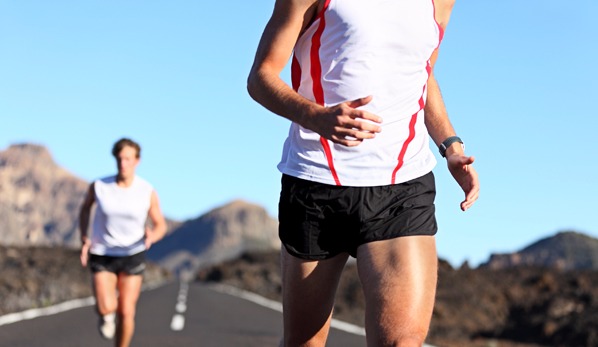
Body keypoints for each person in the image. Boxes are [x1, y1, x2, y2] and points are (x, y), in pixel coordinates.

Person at [247, 0, 479, 346]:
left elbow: (421, 74)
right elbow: (261, 77)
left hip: (402, 186)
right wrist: (316, 117)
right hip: (317, 182)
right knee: (303, 342)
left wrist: (451, 146)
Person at [79, 138, 167, 347]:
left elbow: (161, 225)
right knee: (106, 307)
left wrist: (152, 236)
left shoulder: (147, 191)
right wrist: (84, 237)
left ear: (137, 161)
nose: (123, 163)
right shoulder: (100, 186)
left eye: (127, 159)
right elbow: (85, 208)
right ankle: (105, 315)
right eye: (119, 159)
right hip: (103, 252)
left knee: (126, 311)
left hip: (132, 253)